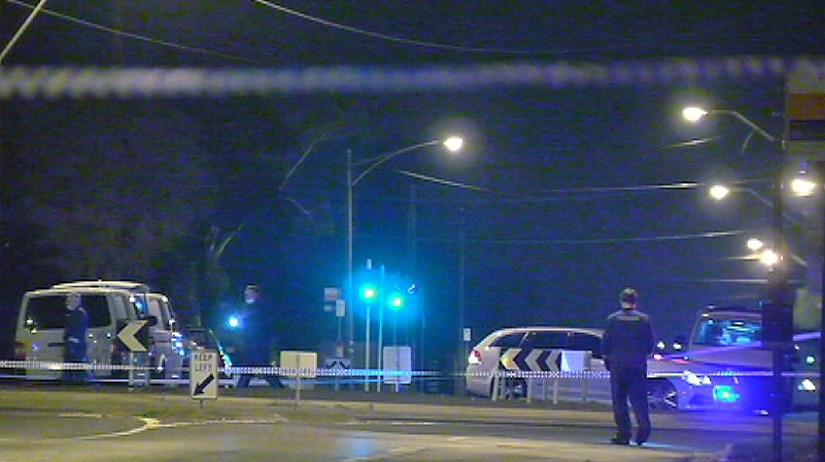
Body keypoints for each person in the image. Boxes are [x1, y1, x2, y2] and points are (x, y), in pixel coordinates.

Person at [601, 287, 655, 446]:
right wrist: (642, 355)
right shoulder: (644, 320)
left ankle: (623, 434)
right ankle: (643, 432)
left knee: (620, 401)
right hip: (637, 365)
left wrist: (608, 361)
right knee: (639, 400)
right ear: (635, 301)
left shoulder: (612, 320)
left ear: (621, 300)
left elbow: (605, 343)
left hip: (618, 365)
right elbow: (650, 343)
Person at [63, 292, 90, 383]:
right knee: (74, 369)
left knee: (76, 369)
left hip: (75, 348)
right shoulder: (77, 313)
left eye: (69, 300)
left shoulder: (78, 314)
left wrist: (71, 343)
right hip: (74, 347)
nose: (67, 302)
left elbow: (77, 331)